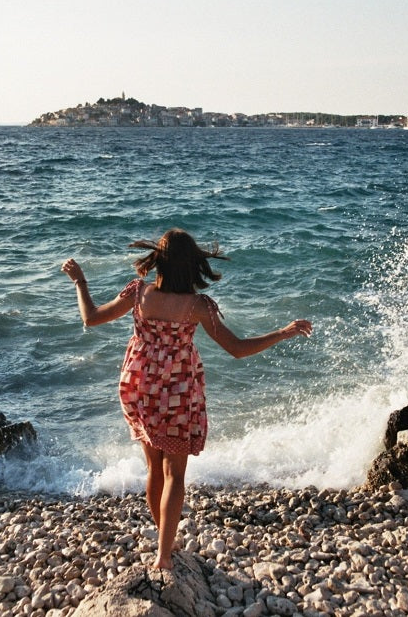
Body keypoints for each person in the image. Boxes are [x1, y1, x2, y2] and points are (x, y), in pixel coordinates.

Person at [61, 228, 312, 570]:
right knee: (175, 475)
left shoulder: (138, 294)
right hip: (177, 392)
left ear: (159, 261)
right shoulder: (198, 306)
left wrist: (80, 282)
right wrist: (283, 332)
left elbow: (91, 318)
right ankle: (164, 555)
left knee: (154, 469)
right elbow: (237, 349)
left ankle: (165, 540)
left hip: (139, 388)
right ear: (192, 265)